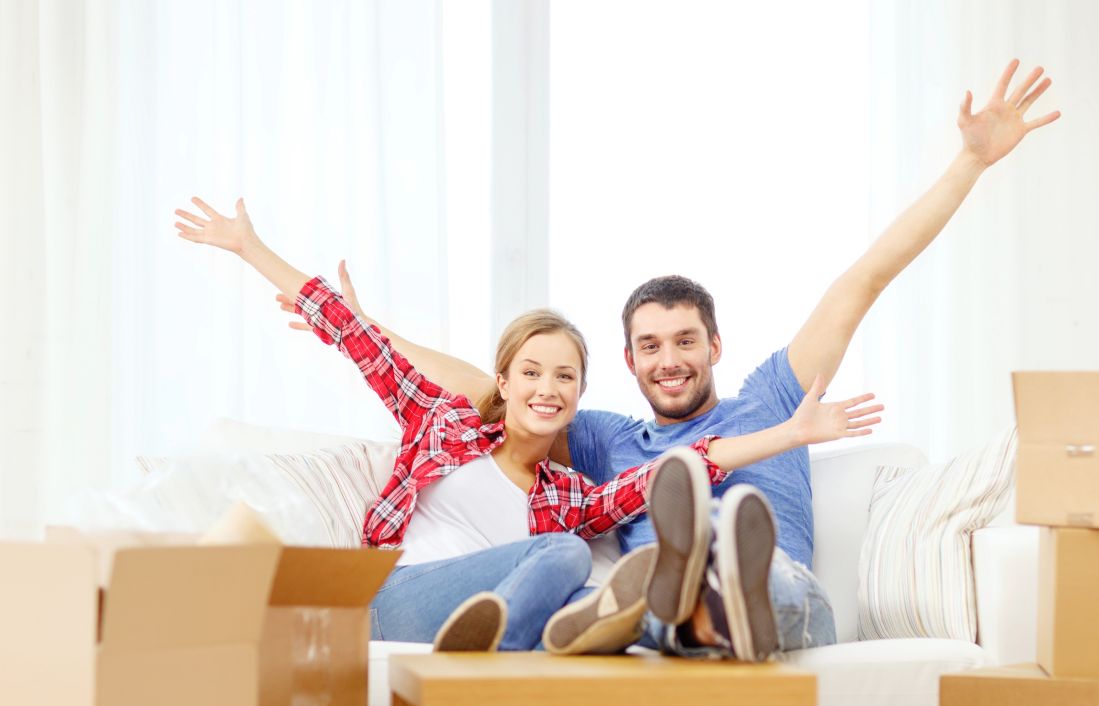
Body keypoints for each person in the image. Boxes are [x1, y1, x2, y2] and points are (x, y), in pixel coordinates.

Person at [276, 59, 1061, 661]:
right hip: (658, 596)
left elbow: (865, 279)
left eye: (686, 341)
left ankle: (717, 592)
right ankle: (683, 607)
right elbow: (494, 390)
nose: (671, 360)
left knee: (772, 585)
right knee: (651, 592)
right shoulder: (608, 440)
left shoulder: (775, 397)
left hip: (779, 590)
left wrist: (971, 164)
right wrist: (362, 330)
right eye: (650, 347)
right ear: (628, 361)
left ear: (715, 345)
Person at [174, 199, 883, 656]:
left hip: (496, 601)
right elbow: (354, 336)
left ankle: (661, 618)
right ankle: (522, 644)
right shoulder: (443, 419)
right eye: (532, 373)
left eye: (566, 377)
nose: (547, 388)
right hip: (401, 591)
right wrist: (248, 246)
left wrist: (790, 433)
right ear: (503, 383)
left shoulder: (568, 493)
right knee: (564, 557)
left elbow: (684, 463)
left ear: (580, 397)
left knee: (576, 566)